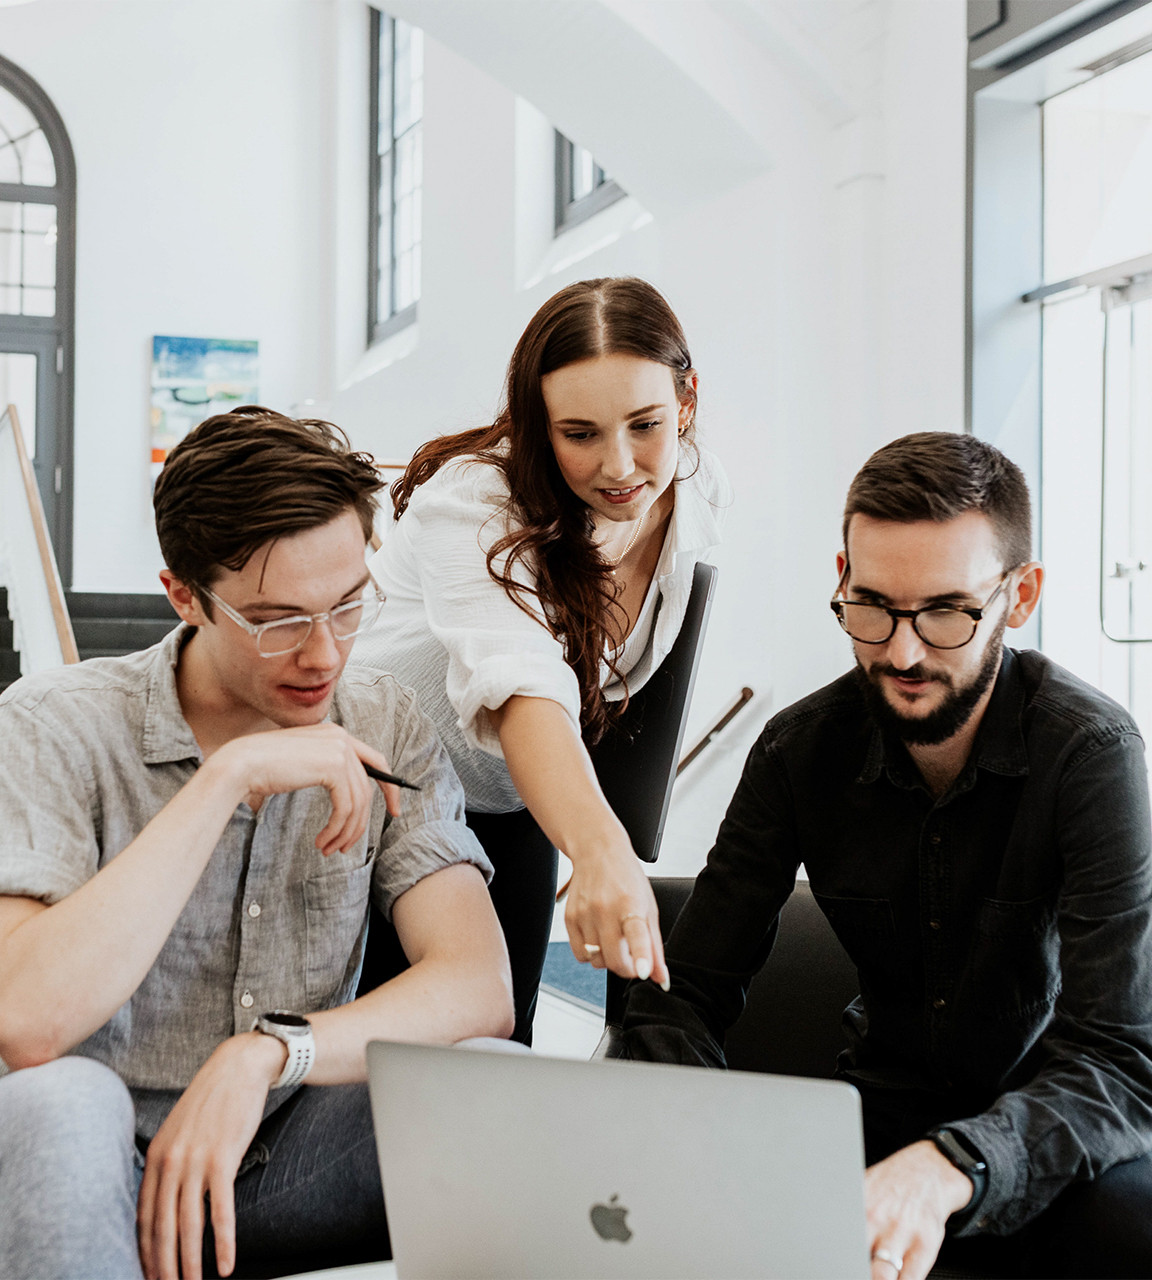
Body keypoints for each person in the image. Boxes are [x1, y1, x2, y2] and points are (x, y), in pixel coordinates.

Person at [618, 432, 1152, 1280]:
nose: (901, 653)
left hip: (1050, 1130)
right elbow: (683, 1000)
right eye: (871, 608)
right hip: (877, 1112)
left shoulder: (1091, 754)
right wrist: (683, 1133)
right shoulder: (798, 751)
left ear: (1022, 596)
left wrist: (952, 1166)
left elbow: (1117, 1064)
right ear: (842, 577)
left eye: (945, 613)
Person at [0, 407, 513, 1280]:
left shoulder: (383, 715)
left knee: (492, 1084)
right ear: (184, 596)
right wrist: (224, 781)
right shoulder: (54, 727)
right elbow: (26, 1025)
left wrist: (273, 1051)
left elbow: (479, 984)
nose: (324, 654)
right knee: (60, 1103)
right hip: (99, 1170)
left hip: (279, 1152)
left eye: (348, 605)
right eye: (277, 620)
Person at [355, 276, 729, 1042]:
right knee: (389, 1071)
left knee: (501, 1055)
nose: (621, 466)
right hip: (381, 799)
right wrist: (599, 847)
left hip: (514, 798)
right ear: (538, 423)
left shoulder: (697, 487)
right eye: (580, 433)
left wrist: (607, 834)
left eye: (647, 424)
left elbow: (620, 680)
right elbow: (524, 685)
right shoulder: (476, 502)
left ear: (686, 401)